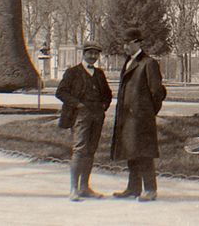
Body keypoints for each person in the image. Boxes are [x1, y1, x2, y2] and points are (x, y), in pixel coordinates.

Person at [110, 28, 167, 202]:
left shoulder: (148, 63)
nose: (124, 46)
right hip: (127, 118)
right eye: (124, 43)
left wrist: (148, 112)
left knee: (144, 154)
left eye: (128, 43)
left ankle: (150, 190)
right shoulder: (129, 62)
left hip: (141, 119)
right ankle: (133, 188)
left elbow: (158, 92)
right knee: (131, 152)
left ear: (137, 43)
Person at [55, 41, 113, 202]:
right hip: (80, 116)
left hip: (97, 116)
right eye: (90, 53)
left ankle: (85, 187)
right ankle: (73, 189)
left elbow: (108, 94)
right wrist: (78, 105)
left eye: (96, 54)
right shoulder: (73, 72)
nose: (93, 56)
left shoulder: (100, 73)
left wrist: (103, 106)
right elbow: (61, 92)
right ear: (84, 53)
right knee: (79, 149)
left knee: (91, 150)